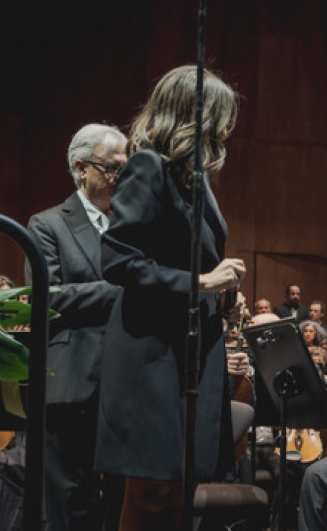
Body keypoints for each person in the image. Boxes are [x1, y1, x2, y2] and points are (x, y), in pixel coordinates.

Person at [95, 65, 245, 530]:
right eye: (219, 119)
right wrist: (200, 284)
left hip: (189, 354)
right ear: (192, 116)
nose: (225, 131)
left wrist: (224, 298)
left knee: (182, 492)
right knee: (150, 493)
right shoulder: (148, 167)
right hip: (153, 356)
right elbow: (118, 260)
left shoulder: (193, 180)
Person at [26, 123, 127, 531]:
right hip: (72, 381)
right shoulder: (47, 224)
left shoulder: (131, 226)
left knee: (122, 499)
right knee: (71, 501)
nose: (121, 178)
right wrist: (124, 289)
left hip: (126, 382)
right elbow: (48, 298)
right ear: (81, 167)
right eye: (113, 168)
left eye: (127, 168)